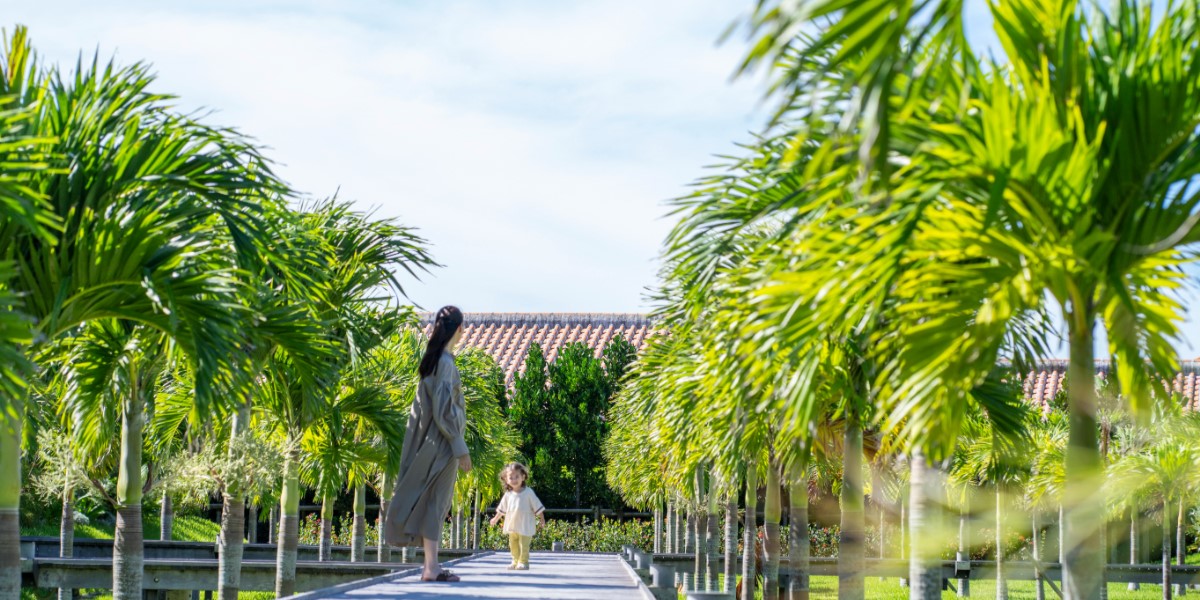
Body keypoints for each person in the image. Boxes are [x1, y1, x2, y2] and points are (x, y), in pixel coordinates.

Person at [383, 306, 473, 582]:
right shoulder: (445, 362)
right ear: (459, 329)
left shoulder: (432, 360)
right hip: (443, 444)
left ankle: (430, 565)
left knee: (432, 502)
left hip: (430, 441)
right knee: (437, 503)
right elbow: (445, 410)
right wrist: (460, 447)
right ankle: (431, 567)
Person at [489, 462, 545, 570]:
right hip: (512, 525)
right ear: (506, 479)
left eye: (517, 477)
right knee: (513, 544)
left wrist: (542, 518)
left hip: (525, 525)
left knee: (524, 545)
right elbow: (502, 509)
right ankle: (515, 561)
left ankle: (523, 562)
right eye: (511, 478)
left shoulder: (529, 492)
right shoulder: (508, 494)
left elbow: (537, 505)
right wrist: (495, 519)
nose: (514, 480)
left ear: (523, 477)